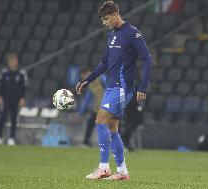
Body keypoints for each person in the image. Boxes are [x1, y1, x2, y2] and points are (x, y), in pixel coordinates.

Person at [76, 1, 153, 180]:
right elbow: (104, 63)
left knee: (100, 119)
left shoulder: (133, 33)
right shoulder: (111, 36)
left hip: (122, 87)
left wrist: (143, 86)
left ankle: (103, 167)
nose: (104, 23)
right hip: (112, 87)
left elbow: (147, 59)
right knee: (112, 127)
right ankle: (122, 171)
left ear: (116, 14)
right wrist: (87, 80)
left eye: (106, 19)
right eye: (103, 20)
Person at [0, 53, 27, 146]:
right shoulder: (4, 73)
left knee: (14, 118)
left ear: (17, 61)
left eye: (14, 60)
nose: (12, 62)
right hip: (5, 98)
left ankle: (11, 138)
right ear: (8, 62)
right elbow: (1, 86)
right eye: (11, 61)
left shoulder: (21, 73)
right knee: (2, 117)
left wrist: (22, 98)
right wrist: (0, 96)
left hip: (16, 99)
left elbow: (24, 87)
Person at [76, 68, 105, 147]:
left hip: (109, 106)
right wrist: (80, 113)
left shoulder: (101, 78)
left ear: (88, 73)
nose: (83, 79)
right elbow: (87, 99)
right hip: (98, 107)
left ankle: (120, 143)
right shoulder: (90, 85)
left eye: (84, 77)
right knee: (90, 123)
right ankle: (86, 142)